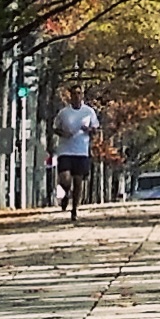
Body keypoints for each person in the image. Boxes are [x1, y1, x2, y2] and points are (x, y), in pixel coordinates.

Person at [51, 84, 100, 220]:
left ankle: (74, 210)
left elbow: (95, 129)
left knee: (78, 181)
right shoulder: (64, 113)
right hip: (65, 150)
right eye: (74, 93)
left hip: (81, 151)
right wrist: (63, 133)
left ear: (82, 95)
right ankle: (66, 192)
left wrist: (88, 130)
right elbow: (55, 128)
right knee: (65, 178)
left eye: (79, 93)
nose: (77, 96)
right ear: (70, 96)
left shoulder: (89, 112)